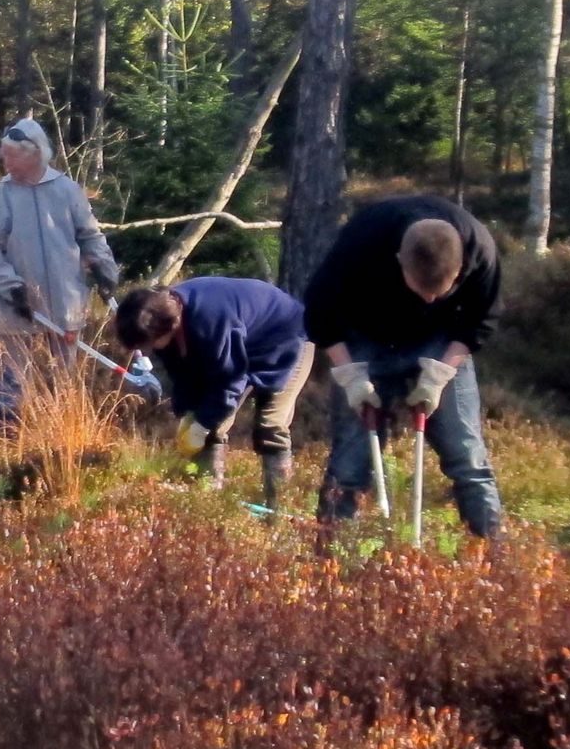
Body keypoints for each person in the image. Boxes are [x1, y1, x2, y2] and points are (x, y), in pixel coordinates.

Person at [301, 192, 504, 541]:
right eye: (421, 289)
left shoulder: (480, 248)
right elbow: (319, 312)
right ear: (398, 261)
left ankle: (495, 564)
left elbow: (481, 320)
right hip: (365, 338)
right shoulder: (363, 240)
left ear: (461, 268)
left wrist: (442, 373)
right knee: (350, 465)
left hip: (440, 342)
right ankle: (329, 570)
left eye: (441, 292)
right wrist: (349, 375)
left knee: (468, 459)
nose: (429, 299)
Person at [114, 277, 313, 510]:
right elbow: (183, 376)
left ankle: (280, 507)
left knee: (270, 425)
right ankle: (208, 498)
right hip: (243, 343)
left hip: (287, 339)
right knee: (208, 423)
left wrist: (202, 424)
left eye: (148, 343)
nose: (147, 350)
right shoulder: (163, 323)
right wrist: (188, 416)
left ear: (168, 326)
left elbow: (229, 381)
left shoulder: (209, 321)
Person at [0, 117, 119, 422]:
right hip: (16, 299)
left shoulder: (67, 190)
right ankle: (10, 430)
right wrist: (10, 287)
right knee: (15, 373)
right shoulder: (4, 194)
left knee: (64, 375)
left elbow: (90, 235)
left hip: (66, 299)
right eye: (4, 153)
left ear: (34, 153)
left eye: (11, 154)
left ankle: (61, 429)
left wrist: (106, 270)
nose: (4, 160)